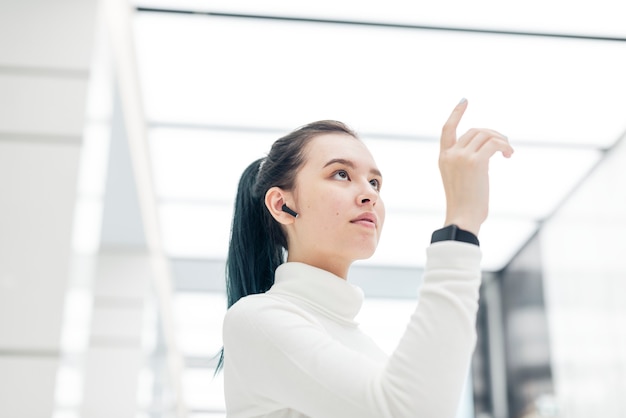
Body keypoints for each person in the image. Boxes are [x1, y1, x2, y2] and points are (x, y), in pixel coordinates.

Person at [219, 99, 514, 418]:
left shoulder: (363, 347)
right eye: (341, 174)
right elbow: (409, 410)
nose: (370, 194)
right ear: (281, 205)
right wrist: (461, 223)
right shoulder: (256, 319)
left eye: (375, 182)